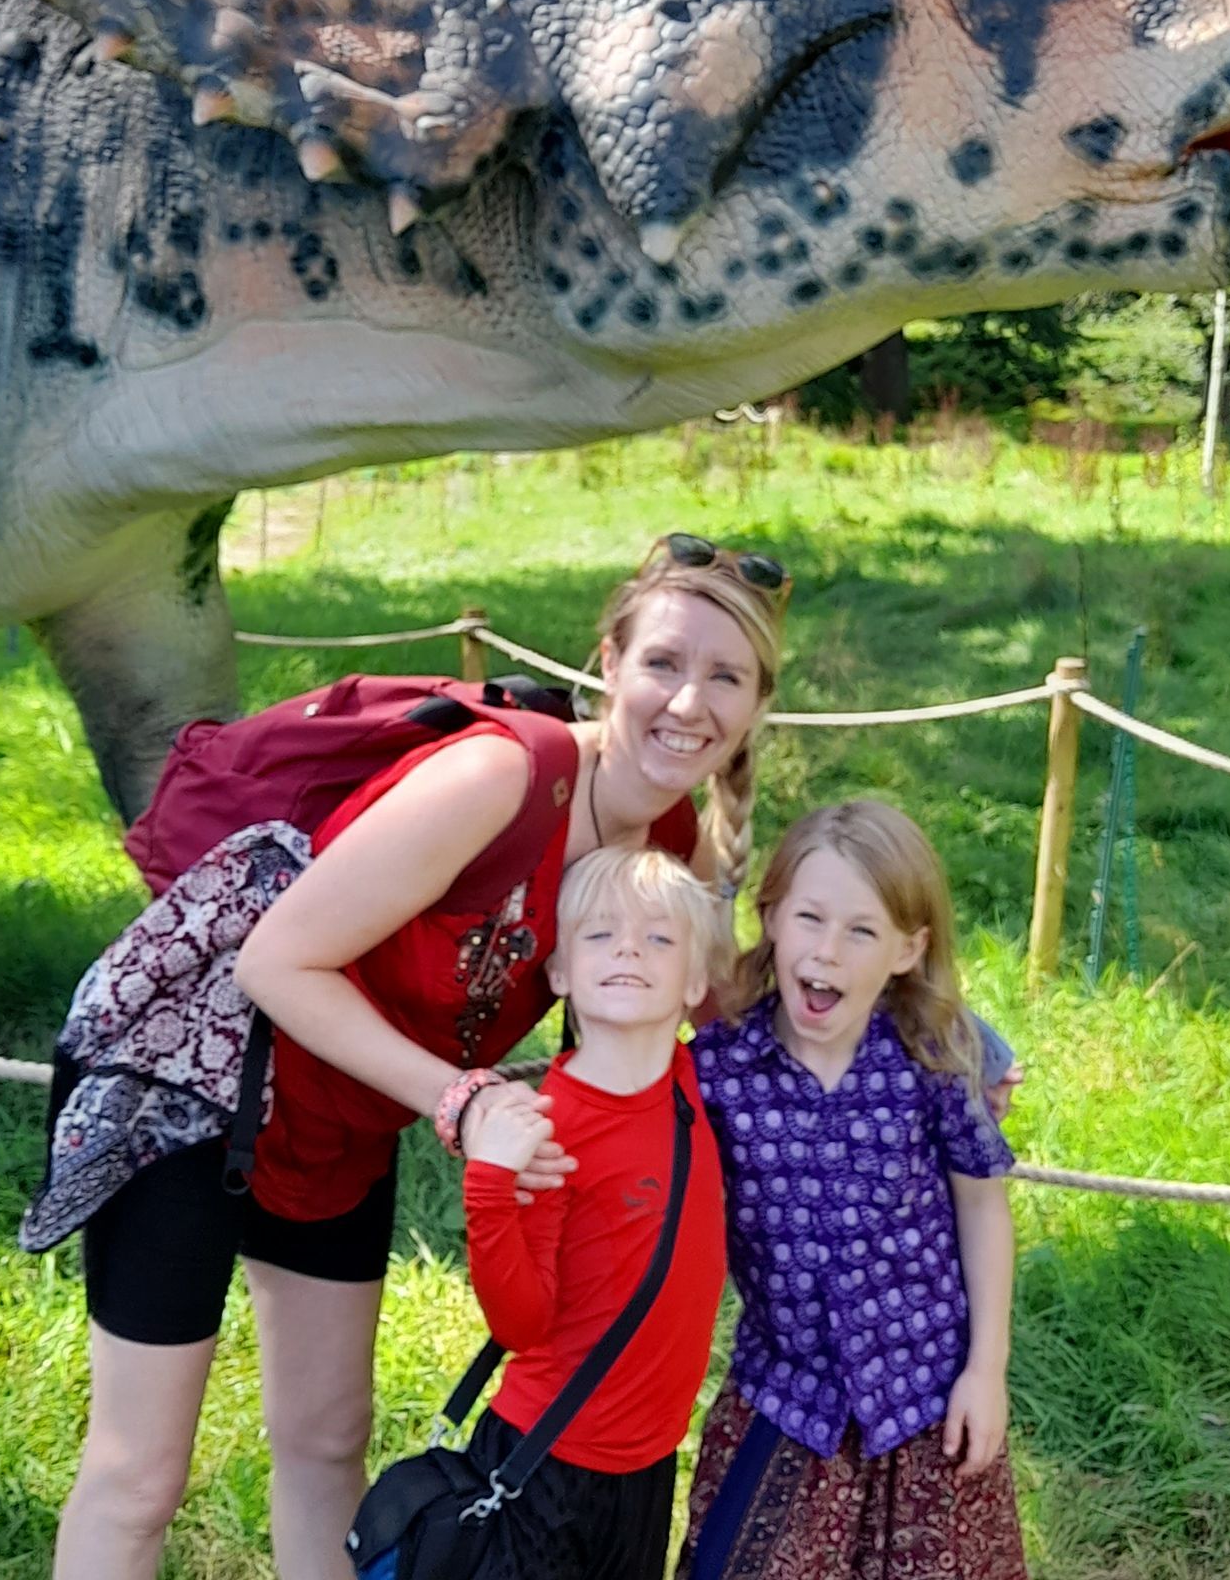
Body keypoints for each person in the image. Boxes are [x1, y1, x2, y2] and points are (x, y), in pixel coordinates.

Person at [43, 532, 788, 1580]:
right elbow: (276, 961)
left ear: (759, 703)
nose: (689, 701)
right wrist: (466, 1102)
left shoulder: (665, 840)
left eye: (727, 676)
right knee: (140, 1472)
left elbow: (734, 1023)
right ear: (609, 662)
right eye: (664, 661)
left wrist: (924, 1045)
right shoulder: (501, 773)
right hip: (196, 1085)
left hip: (343, 1118)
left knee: (327, 1439)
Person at [682, 799, 1028, 1580]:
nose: (827, 952)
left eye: (862, 931)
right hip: (784, 1402)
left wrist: (985, 1371)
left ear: (909, 948)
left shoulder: (931, 1054)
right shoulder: (716, 1070)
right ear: (770, 919)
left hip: (929, 1403)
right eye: (809, 918)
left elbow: (980, 1202)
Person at [454, 844, 729, 1580]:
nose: (630, 949)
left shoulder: (696, 1082)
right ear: (560, 971)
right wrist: (489, 1187)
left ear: (695, 979)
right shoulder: (546, 1128)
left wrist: (980, 1063)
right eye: (600, 934)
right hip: (546, 1457)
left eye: (660, 937)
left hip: (648, 1463)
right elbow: (520, 1324)